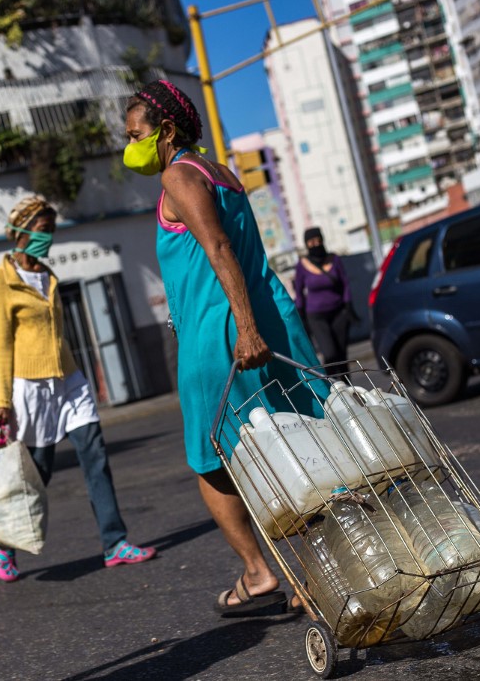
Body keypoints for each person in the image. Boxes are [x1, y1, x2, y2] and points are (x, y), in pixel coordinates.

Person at [123, 80, 327, 616]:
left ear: (166, 132)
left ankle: (263, 575)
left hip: (223, 335)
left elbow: (216, 247)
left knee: (214, 459)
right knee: (296, 446)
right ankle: (322, 567)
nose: (129, 146)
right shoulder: (224, 175)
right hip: (272, 317)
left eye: (135, 134)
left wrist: (245, 329)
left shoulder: (178, 175)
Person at [0, 196, 155, 581]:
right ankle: (1, 542)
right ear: (22, 232)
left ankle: (114, 543)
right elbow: (2, 343)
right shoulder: (3, 280)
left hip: (70, 380)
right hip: (30, 387)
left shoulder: (47, 275)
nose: (48, 238)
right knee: (36, 473)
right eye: (43, 231)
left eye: (51, 231)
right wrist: (2, 401)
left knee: (95, 456)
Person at [293, 227, 354, 376]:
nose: (315, 244)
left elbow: (345, 283)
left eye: (318, 240)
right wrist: (300, 313)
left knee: (341, 355)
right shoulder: (302, 265)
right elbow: (299, 291)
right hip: (316, 317)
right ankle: (332, 387)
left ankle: (348, 387)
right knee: (330, 353)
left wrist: (347, 304)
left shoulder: (334, 259)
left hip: (339, 313)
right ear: (306, 244)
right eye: (311, 241)